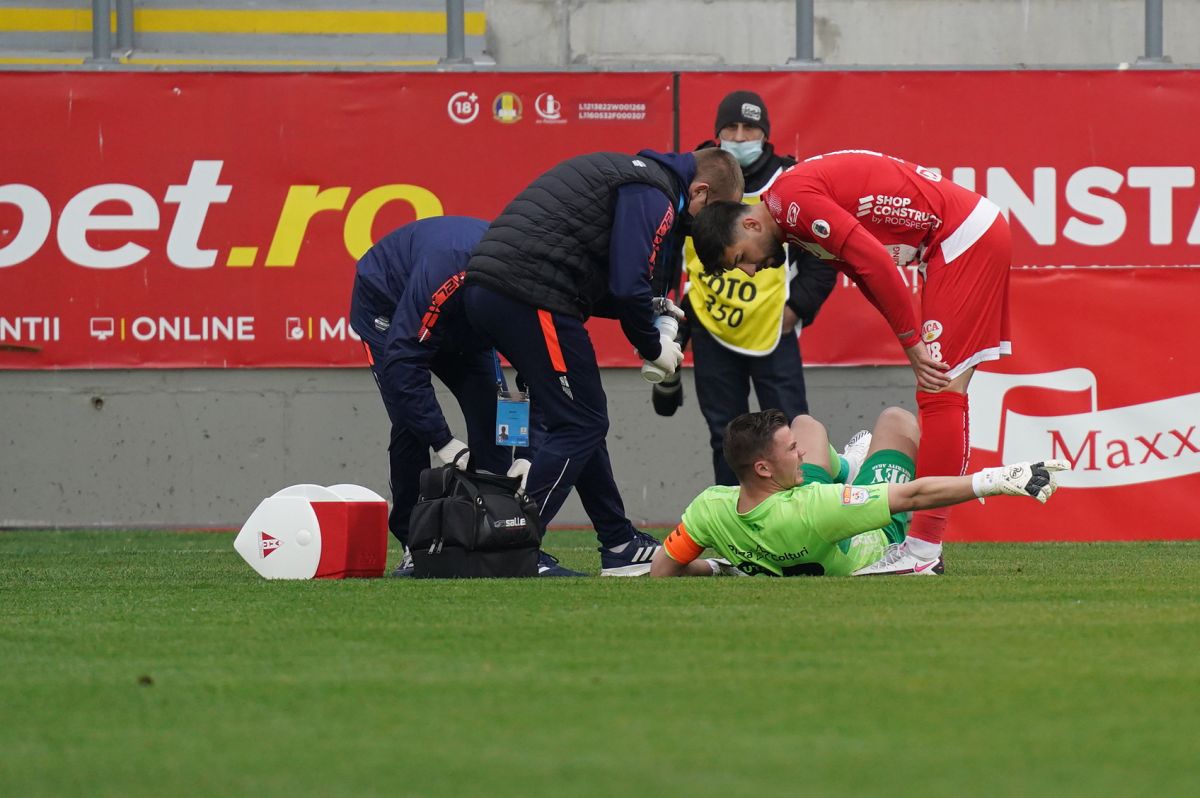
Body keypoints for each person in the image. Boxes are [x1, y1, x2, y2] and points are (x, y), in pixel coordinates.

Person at [691, 149, 1013, 575]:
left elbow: (876, 261)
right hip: (953, 239)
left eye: (741, 259)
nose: (751, 271)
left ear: (750, 224)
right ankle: (920, 544)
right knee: (938, 390)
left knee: (941, 392)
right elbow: (862, 272)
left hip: (961, 237)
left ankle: (922, 550)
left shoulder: (793, 202)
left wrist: (911, 340)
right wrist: (908, 339)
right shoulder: (789, 215)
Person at [465, 148, 744, 576]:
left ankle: (618, 542)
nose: (711, 227)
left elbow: (608, 284)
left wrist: (650, 309)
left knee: (584, 419)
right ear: (701, 192)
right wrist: (652, 345)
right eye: (716, 214)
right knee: (581, 423)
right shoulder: (654, 191)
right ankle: (510, 545)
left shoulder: (641, 179)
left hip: (504, 290)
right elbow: (628, 284)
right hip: (531, 294)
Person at [349, 216, 582, 577]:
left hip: (465, 317)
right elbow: (403, 364)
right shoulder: (446, 273)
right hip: (389, 305)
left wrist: (528, 453)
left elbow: (538, 378)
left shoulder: (529, 293)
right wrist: (443, 441)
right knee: (411, 423)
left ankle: (498, 534)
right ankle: (415, 545)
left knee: (492, 414)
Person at [652, 90, 837, 486]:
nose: (739, 136)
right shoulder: (693, 177)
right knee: (725, 434)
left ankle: (797, 511)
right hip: (711, 324)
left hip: (773, 329)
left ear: (764, 134)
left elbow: (823, 255)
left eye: (749, 128)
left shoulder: (788, 179)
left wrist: (795, 310)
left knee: (789, 432)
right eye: (730, 128)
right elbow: (666, 248)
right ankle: (733, 513)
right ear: (717, 132)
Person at [650, 407, 1066, 578]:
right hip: (868, 532)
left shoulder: (710, 507)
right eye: (791, 450)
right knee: (896, 419)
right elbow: (913, 497)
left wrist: (723, 567)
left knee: (806, 424)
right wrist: (996, 480)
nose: (799, 452)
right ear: (763, 467)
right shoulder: (817, 506)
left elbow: (662, 570)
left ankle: (848, 465)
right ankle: (854, 470)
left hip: (801, 511)